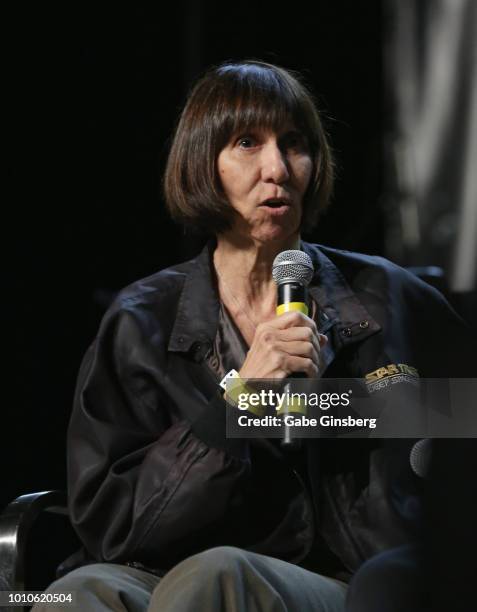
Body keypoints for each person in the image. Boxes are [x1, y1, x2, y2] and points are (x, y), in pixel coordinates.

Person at [33, 60, 472, 612]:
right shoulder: (142, 319)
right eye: (247, 142)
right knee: (75, 595)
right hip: (168, 567)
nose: (278, 168)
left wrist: (337, 409)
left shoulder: (391, 297)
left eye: (294, 144)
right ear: (203, 164)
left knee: (219, 574)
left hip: (344, 575)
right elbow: (115, 524)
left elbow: (461, 419)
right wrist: (241, 404)